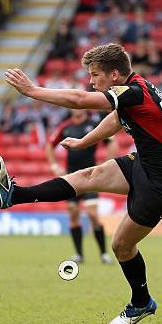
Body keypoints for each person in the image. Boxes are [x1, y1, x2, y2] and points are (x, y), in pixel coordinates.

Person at [0, 43, 162, 324]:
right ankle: (13, 195)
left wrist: (32, 91)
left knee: (121, 245)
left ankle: (141, 302)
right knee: (88, 176)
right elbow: (116, 119)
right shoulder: (135, 88)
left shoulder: (134, 91)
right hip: (146, 165)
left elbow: (78, 100)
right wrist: (85, 142)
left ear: (115, 75)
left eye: (96, 75)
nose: (92, 81)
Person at [46, 109, 113, 265]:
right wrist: (54, 166)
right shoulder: (65, 127)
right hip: (71, 178)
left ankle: (103, 253)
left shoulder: (94, 124)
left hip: (90, 177)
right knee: (74, 214)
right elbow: (50, 145)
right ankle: (79, 254)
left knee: (92, 215)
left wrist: (107, 164)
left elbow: (112, 142)